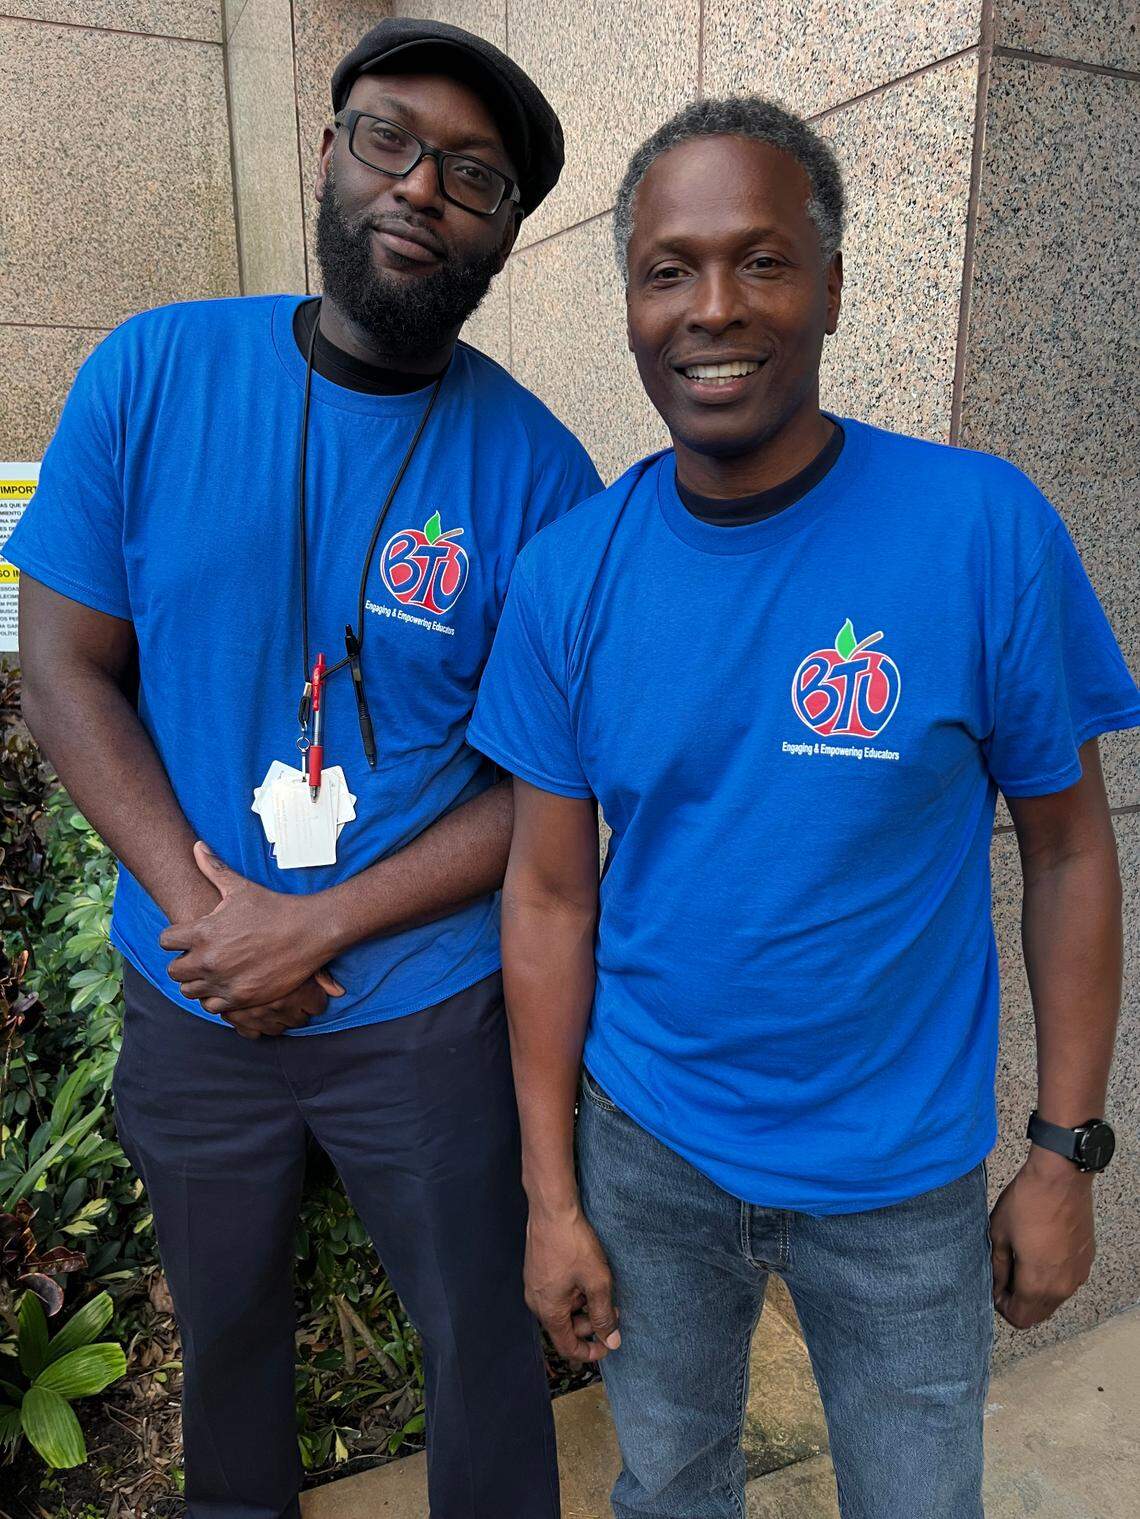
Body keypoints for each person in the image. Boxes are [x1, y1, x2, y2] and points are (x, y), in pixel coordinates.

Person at [467, 96, 1138, 1519]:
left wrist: (1066, 1150)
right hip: (649, 1155)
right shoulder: (569, 577)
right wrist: (552, 1196)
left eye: (762, 260)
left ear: (831, 288)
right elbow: (548, 894)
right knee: (671, 1487)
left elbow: (1072, 849)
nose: (713, 307)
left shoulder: (983, 531)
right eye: (669, 269)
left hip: (900, 1181)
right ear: (632, 303)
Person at [9, 18, 600, 1519]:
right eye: (390, 138)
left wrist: (317, 925)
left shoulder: (539, 476)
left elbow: (548, 792)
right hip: (192, 991)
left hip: (428, 1015)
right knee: (221, 1335)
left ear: (505, 232)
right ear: (326, 150)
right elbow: (62, 669)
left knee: (479, 1347)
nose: (421, 188)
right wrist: (209, 917)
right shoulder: (153, 373)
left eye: (473, 175)